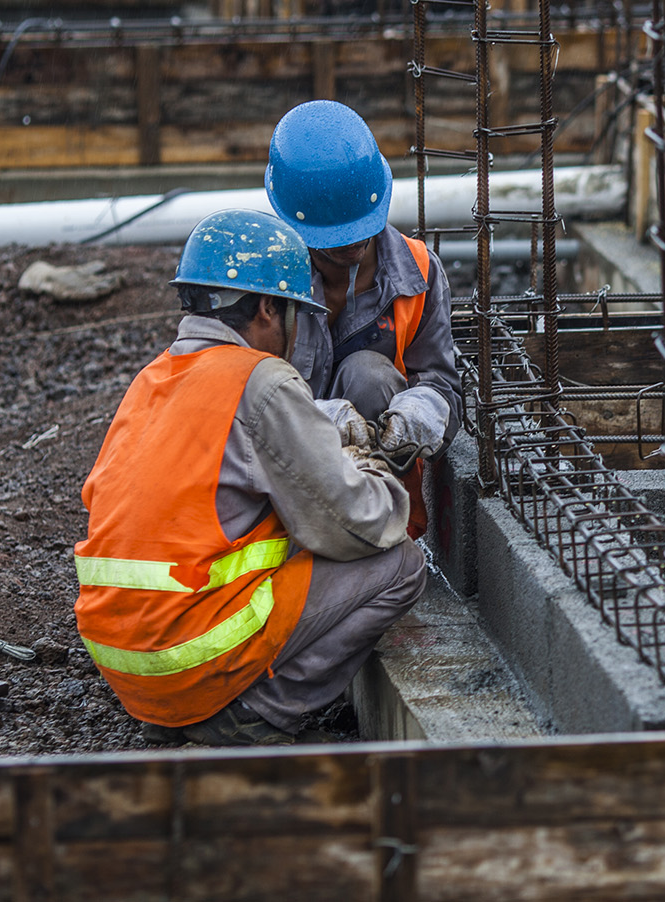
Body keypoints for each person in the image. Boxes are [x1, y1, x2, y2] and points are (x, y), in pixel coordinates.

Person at [73, 209, 426, 746]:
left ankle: (188, 708)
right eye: (292, 314)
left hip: (123, 660)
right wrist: (370, 465)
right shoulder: (258, 379)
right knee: (399, 562)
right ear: (267, 307)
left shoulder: (151, 380)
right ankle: (256, 714)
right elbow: (361, 523)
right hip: (186, 656)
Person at [264, 100, 461, 535]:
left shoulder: (418, 272)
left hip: (376, 484)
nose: (353, 246)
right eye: (336, 240)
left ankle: (381, 532)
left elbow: (443, 383)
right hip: (278, 469)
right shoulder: (267, 278)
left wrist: (422, 411)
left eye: (360, 232)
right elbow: (233, 391)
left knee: (369, 375)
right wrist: (312, 420)